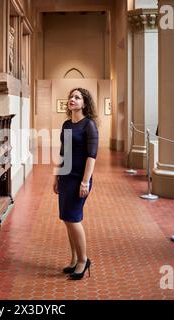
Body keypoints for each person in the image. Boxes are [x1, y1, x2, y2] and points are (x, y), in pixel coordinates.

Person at [53, 88, 99, 280]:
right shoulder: (66, 125)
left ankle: (83, 260)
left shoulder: (89, 125)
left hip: (80, 178)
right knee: (67, 219)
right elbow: (63, 153)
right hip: (65, 177)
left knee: (73, 218)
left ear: (85, 103)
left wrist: (85, 181)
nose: (72, 99)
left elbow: (92, 156)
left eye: (77, 97)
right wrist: (56, 176)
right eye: (70, 96)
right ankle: (73, 260)